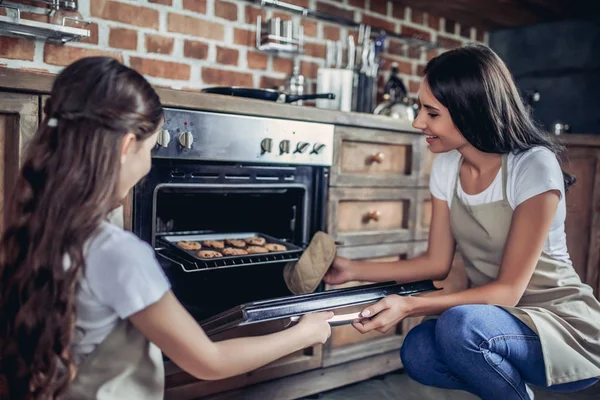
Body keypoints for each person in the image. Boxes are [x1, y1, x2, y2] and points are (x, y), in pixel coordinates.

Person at [0, 57, 333, 400]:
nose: (148, 164)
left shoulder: (31, 227)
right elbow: (210, 362)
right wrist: (306, 332)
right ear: (127, 146)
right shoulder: (119, 253)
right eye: (150, 149)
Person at [324, 44, 600, 400]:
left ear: (470, 112)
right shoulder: (447, 167)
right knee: (419, 351)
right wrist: (351, 269)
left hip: (558, 322)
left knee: (461, 325)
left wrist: (409, 305)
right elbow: (436, 263)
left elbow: (507, 292)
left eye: (431, 112)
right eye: (419, 109)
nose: (418, 122)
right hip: (495, 321)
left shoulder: (532, 165)